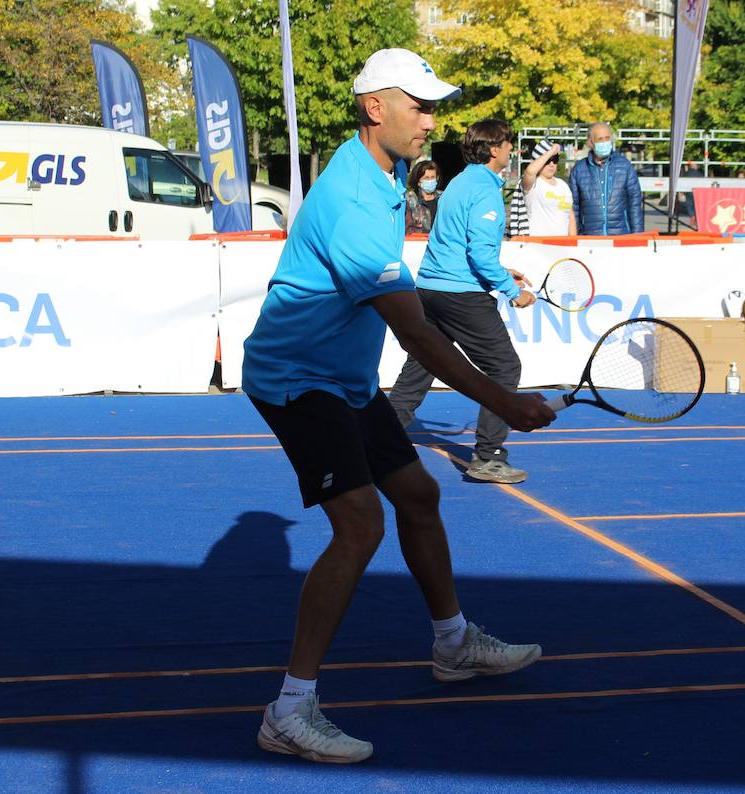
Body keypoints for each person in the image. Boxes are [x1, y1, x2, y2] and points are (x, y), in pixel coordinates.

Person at [239, 49, 553, 765]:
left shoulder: (384, 177)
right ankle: (288, 710)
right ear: (375, 108)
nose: (431, 118)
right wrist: (504, 399)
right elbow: (414, 329)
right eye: (419, 104)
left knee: (418, 492)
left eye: (435, 105)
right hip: (297, 378)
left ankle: (452, 646)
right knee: (359, 527)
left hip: (343, 375)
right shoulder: (351, 199)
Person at [387, 118, 537, 485]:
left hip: (431, 289)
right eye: (506, 144)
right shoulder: (485, 191)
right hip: (459, 295)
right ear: (492, 149)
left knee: (423, 365)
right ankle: (487, 457)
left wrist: (501, 272)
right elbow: (480, 256)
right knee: (504, 368)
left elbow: (461, 245)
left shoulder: (458, 183)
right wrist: (512, 291)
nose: (511, 150)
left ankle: (379, 438)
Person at [568, 122, 643, 235]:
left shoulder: (625, 166)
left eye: (607, 138)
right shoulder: (578, 170)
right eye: (600, 139)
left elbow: (635, 204)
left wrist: (637, 237)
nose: (604, 142)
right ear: (590, 142)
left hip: (621, 237)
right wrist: (575, 238)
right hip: (590, 240)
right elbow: (573, 208)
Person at [522, 140, 575, 236]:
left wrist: (574, 243)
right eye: (547, 160)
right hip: (537, 246)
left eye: (555, 159)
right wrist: (552, 151)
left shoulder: (563, 185)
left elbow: (570, 217)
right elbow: (529, 171)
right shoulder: (533, 184)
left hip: (562, 247)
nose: (551, 164)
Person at [404, 159, 442, 234]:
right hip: (418, 242)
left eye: (433, 177)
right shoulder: (409, 200)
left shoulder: (443, 198)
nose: (430, 181)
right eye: (426, 178)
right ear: (418, 181)